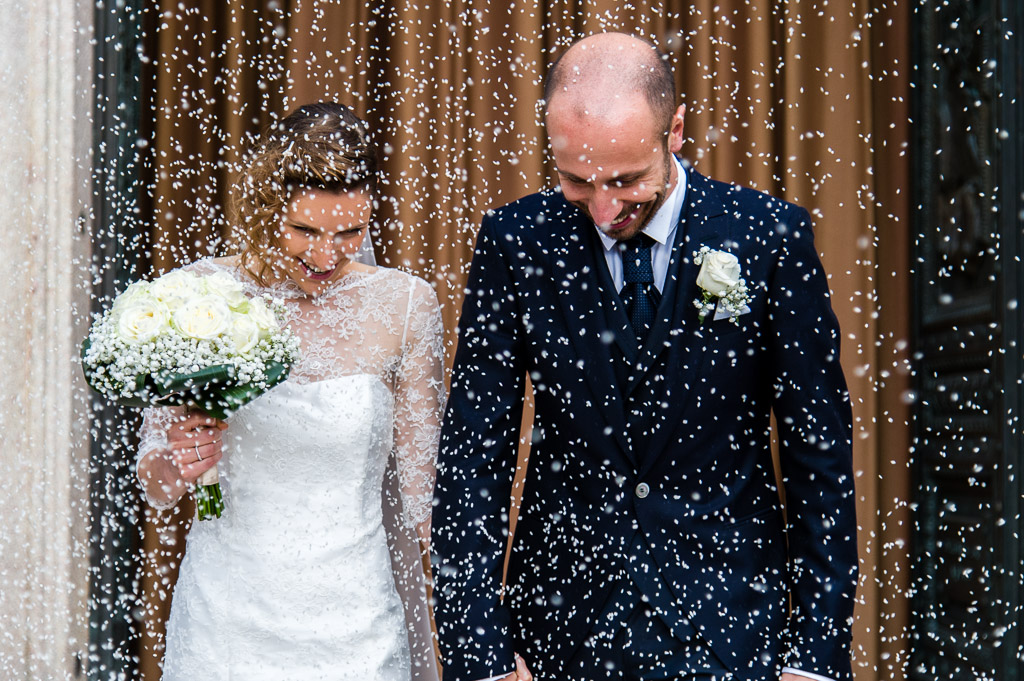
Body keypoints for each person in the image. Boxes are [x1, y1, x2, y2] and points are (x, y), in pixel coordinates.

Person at [432, 33, 858, 681]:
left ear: (675, 130)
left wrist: (816, 656)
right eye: (577, 181)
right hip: (560, 637)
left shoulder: (769, 237)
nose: (604, 209)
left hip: (730, 631)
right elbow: (473, 453)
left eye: (626, 180)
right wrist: (479, 654)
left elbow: (818, 454)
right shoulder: (516, 242)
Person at [136, 102, 444, 681]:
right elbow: (155, 484)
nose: (325, 255)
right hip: (225, 621)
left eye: (350, 232)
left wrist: (487, 631)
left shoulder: (406, 305)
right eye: (304, 230)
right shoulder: (199, 296)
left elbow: (425, 498)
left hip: (358, 624)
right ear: (265, 206)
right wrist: (178, 460)